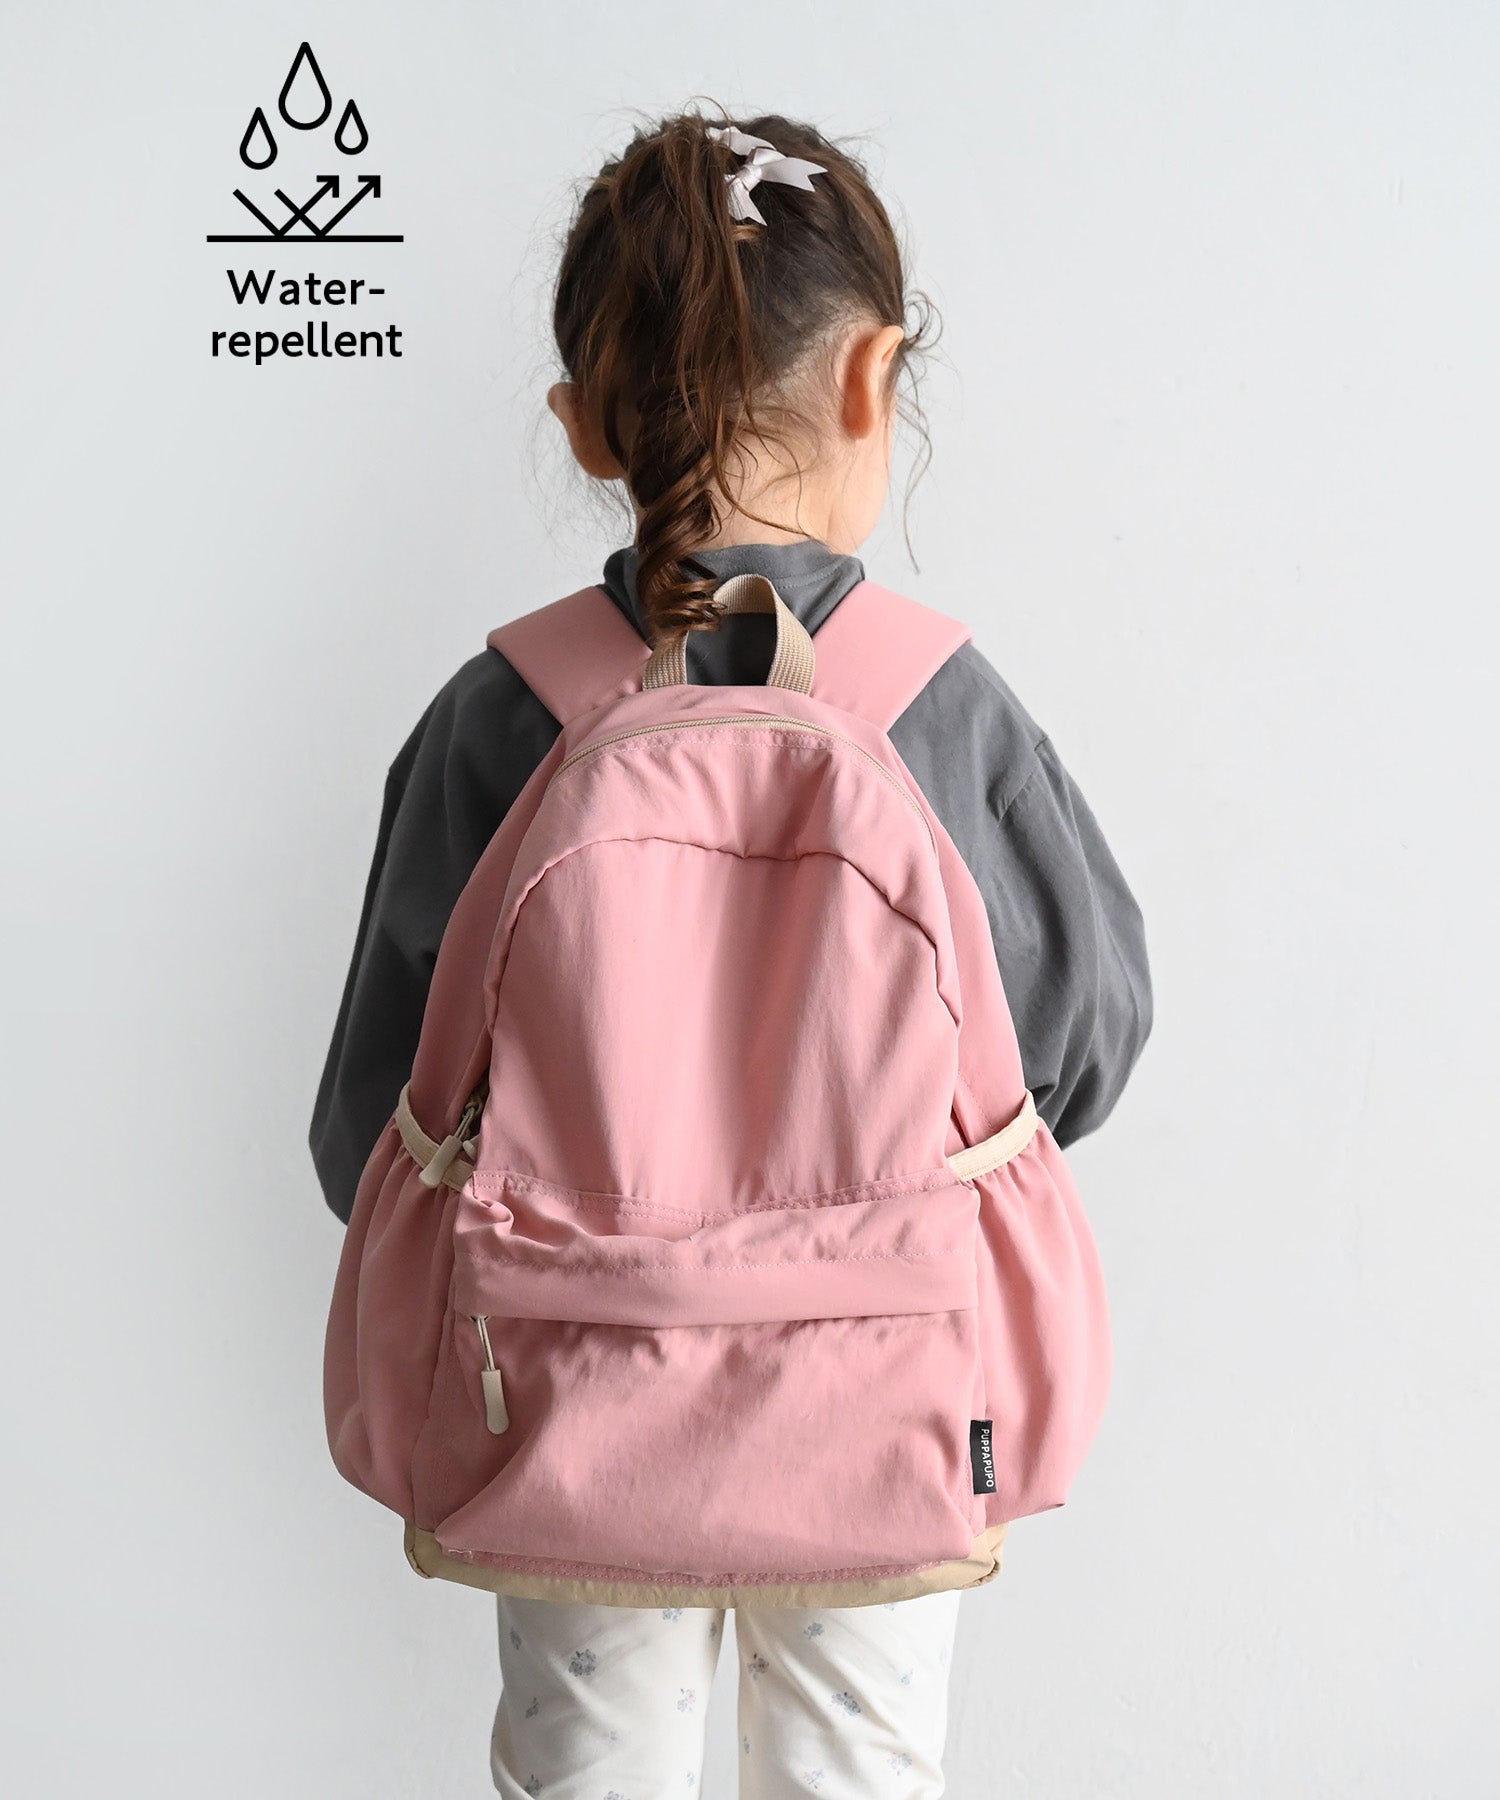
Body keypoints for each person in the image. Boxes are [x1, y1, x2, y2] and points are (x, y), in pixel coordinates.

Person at [310, 107, 1152, 1800]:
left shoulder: (504, 714)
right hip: (884, 1393)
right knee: (856, 1773)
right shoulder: (940, 707)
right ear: (873, 383)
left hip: (568, 1400)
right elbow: (1086, 1031)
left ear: (584, 423)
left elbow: (372, 1131)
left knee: (588, 1770)